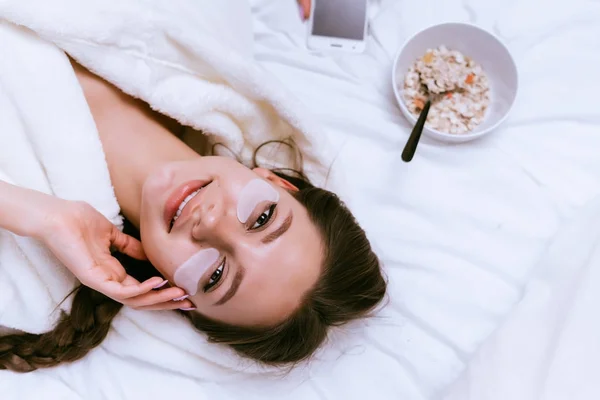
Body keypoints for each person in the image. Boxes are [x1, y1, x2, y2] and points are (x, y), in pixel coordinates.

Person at [0, 3, 385, 373]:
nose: (211, 224)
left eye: (215, 275)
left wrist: (37, 214)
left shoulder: (28, 263)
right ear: (276, 181)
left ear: (176, 296)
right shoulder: (212, 37)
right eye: (262, 218)